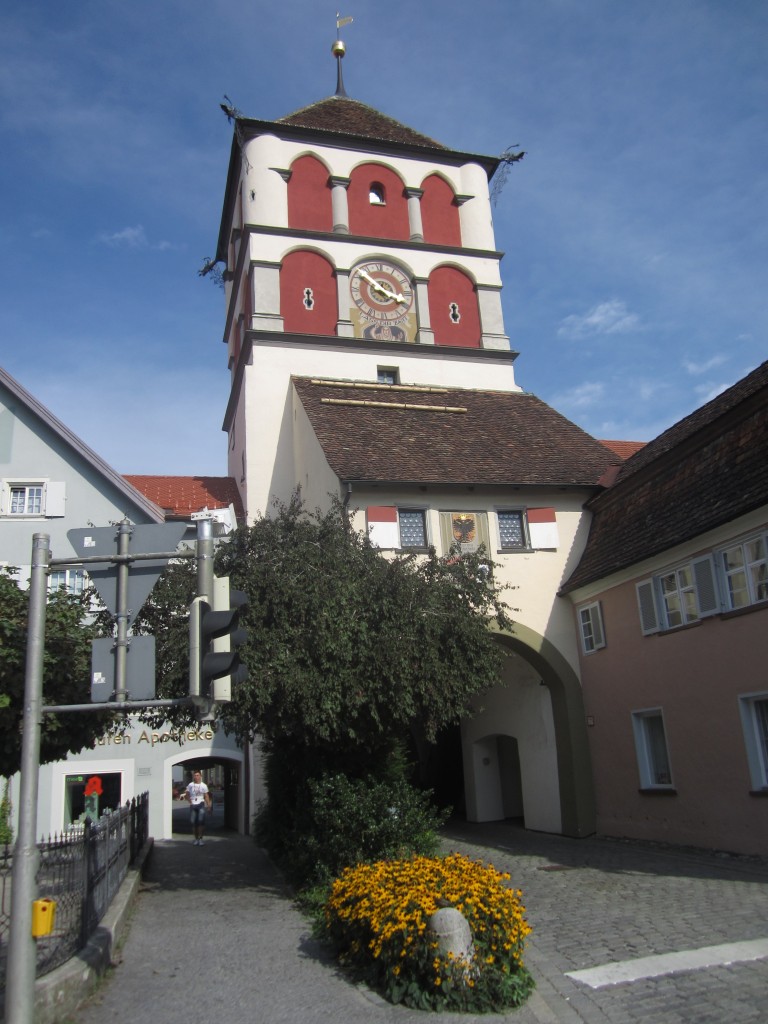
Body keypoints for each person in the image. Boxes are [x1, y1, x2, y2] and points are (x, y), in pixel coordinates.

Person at [184, 770, 212, 846]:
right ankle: (196, 839)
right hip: (193, 805)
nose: (196, 777)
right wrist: (190, 801)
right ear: (193, 776)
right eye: (195, 775)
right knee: (193, 823)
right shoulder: (190, 785)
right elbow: (186, 794)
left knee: (200, 822)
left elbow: (206, 796)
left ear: (200, 776)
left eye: (197, 775)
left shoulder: (204, 785)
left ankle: (200, 839)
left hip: (201, 804)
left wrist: (209, 806)